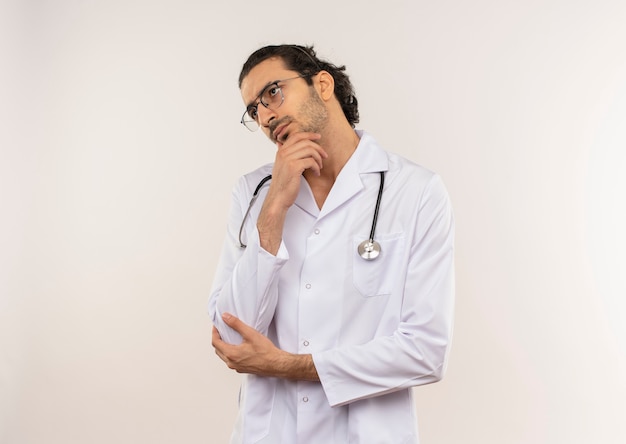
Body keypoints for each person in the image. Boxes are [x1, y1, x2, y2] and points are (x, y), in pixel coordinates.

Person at [209, 44, 455, 444]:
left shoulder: (416, 191)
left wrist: (292, 365)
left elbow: (426, 352)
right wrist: (273, 213)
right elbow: (231, 339)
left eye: (273, 92)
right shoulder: (253, 194)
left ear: (322, 84)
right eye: (254, 110)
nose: (266, 116)